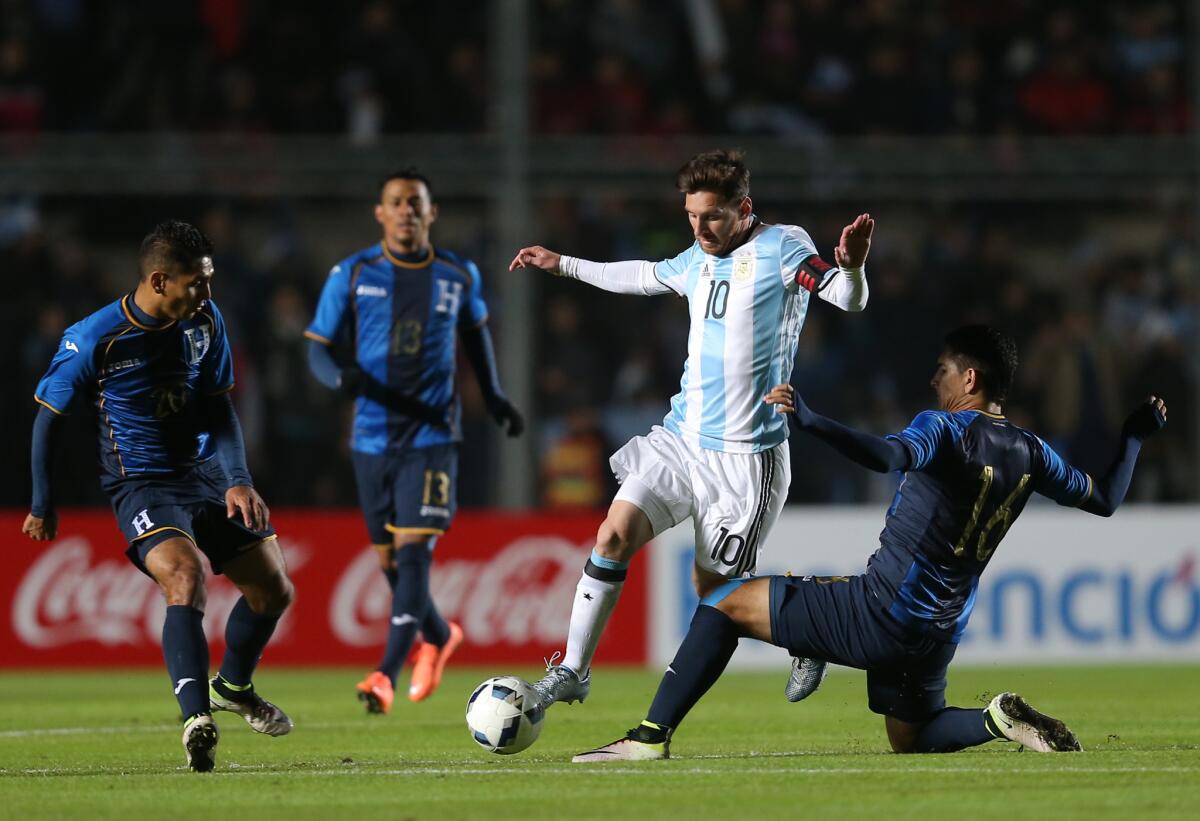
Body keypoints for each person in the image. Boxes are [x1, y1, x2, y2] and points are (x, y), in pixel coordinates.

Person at [572, 325, 1166, 761]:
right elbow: (1105, 498)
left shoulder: (945, 428)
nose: (934, 379)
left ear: (971, 379)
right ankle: (995, 719)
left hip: (882, 612)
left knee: (723, 602)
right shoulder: (1033, 452)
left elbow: (886, 455)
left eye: (943, 370)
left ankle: (648, 739)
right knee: (912, 736)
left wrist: (811, 420)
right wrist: (1134, 438)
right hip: (939, 630)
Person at [510, 149, 874, 709]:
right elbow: (642, 276)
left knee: (715, 597)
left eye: (712, 217)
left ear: (743, 208)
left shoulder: (782, 248)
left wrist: (850, 266)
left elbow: (846, 298)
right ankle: (574, 670)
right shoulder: (696, 258)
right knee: (612, 535)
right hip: (681, 440)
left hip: (746, 460)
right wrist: (562, 263)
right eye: (691, 217)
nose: (700, 229)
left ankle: (807, 627)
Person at [23, 220, 295, 773]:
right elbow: (47, 420)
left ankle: (235, 686)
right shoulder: (94, 338)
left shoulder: (206, 320)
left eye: (210, 280)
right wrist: (41, 502)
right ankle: (197, 719)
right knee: (184, 577)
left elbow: (219, 405)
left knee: (274, 591)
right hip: (142, 482)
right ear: (159, 280)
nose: (207, 293)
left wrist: (238, 476)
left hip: (207, 476)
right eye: (197, 282)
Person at [306, 168, 523, 714]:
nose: (406, 211)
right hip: (371, 439)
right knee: (393, 568)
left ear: (432, 213)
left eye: (416, 203)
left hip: (433, 436)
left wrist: (494, 397)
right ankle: (440, 634)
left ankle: (384, 673)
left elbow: (477, 340)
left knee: (414, 557)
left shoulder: (457, 274)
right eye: (396, 202)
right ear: (380, 213)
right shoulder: (352, 273)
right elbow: (316, 348)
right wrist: (339, 379)